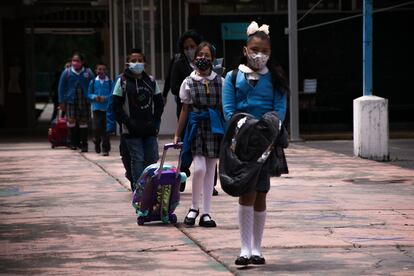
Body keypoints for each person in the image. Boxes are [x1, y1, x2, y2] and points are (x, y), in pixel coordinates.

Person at [222, 21, 289, 265]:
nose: (258, 54)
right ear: (245, 50)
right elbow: (229, 110)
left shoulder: (276, 78)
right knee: (245, 191)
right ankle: (244, 248)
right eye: (254, 49)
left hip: (267, 143)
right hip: (242, 143)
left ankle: (257, 248)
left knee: (261, 192)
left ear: (270, 53)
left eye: (264, 51)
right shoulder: (231, 77)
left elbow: (279, 110)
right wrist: (242, 127)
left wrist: (267, 130)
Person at [173, 41, 224, 228]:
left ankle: (206, 213)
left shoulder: (220, 81)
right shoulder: (188, 81)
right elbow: (184, 110)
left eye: (207, 56)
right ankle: (194, 207)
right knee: (200, 168)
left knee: (211, 171)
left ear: (213, 59)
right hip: (196, 127)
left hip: (214, 127)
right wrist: (177, 133)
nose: (203, 58)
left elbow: (224, 108)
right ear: (195, 59)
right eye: (200, 55)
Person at [112, 50, 164, 191]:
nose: (137, 63)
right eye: (133, 60)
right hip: (131, 130)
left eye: (139, 60)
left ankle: (151, 186)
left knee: (152, 158)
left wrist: (155, 122)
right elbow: (116, 106)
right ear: (127, 63)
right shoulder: (122, 81)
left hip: (149, 128)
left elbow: (159, 103)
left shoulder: (151, 81)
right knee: (137, 159)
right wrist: (127, 122)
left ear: (145, 63)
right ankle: (139, 189)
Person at [58, 52, 94, 152]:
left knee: (83, 122)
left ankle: (84, 143)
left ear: (82, 62)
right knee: (71, 121)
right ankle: (73, 142)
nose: (75, 63)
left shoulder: (88, 72)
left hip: (84, 100)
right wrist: (61, 101)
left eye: (77, 61)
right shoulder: (67, 72)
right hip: (71, 100)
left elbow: (93, 85)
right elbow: (61, 87)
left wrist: (93, 97)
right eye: (73, 61)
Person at [88, 62, 113, 156]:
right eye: (99, 69)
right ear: (96, 70)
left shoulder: (110, 82)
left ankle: (105, 148)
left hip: (107, 109)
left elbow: (112, 94)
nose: (101, 71)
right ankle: (96, 141)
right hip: (96, 109)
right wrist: (95, 97)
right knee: (96, 128)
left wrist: (105, 98)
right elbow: (89, 94)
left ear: (106, 71)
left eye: (103, 69)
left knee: (106, 129)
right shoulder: (93, 82)